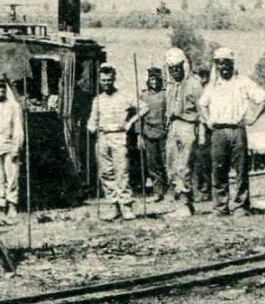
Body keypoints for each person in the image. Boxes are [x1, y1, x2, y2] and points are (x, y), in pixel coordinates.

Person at [199, 47, 265, 215]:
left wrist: (253, 118)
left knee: (241, 169)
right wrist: (208, 119)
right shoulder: (212, 86)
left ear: (232, 64)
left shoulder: (243, 82)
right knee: (218, 170)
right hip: (218, 132)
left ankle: (240, 206)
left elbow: (263, 99)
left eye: (226, 64)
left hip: (237, 130)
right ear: (216, 65)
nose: (223, 67)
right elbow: (202, 104)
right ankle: (220, 207)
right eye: (219, 64)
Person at [87, 64, 138, 220]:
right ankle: (114, 206)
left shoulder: (124, 96)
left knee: (122, 172)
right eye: (103, 80)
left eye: (109, 80)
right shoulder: (98, 100)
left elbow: (144, 107)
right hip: (103, 138)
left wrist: (130, 123)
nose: (106, 83)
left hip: (119, 137)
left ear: (114, 79)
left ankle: (127, 206)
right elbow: (92, 120)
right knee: (106, 173)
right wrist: (91, 127)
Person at [162, 49, 203, 216]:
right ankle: (179, 201)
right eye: (171, 68)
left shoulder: (194, 84)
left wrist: (201, 132)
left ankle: (186, 203)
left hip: (188, 125)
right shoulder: (171, 86)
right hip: (173, 127)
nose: (175, 71)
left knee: (184, 166)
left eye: (177, 67)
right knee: (171, 165)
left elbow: (202, 110)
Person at [0, 76, 25, 222]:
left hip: (9, 147)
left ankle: (12, 206)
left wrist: (16, 147)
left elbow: (18, 128)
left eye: (2, 89)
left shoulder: (13, 107)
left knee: (12, 177)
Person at [136, 66, 168, 200]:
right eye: (152, 79)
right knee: (152, 163)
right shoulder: (143, 96)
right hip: (148, 133)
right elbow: (139, 117)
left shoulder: (166, 94)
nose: (154, 81)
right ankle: (158, 191)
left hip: (164, 132)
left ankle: (172, 191)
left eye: (156, 78)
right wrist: (139, 135)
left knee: (166, 162)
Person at [193, 61, 214, 201]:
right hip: (195, 127)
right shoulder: (194, 89)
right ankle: (198, 190)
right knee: (195, 161)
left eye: (203, 76)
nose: (201, 79)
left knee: (206, 161)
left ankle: (207, 190)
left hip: (207, 128)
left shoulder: (211, 90)